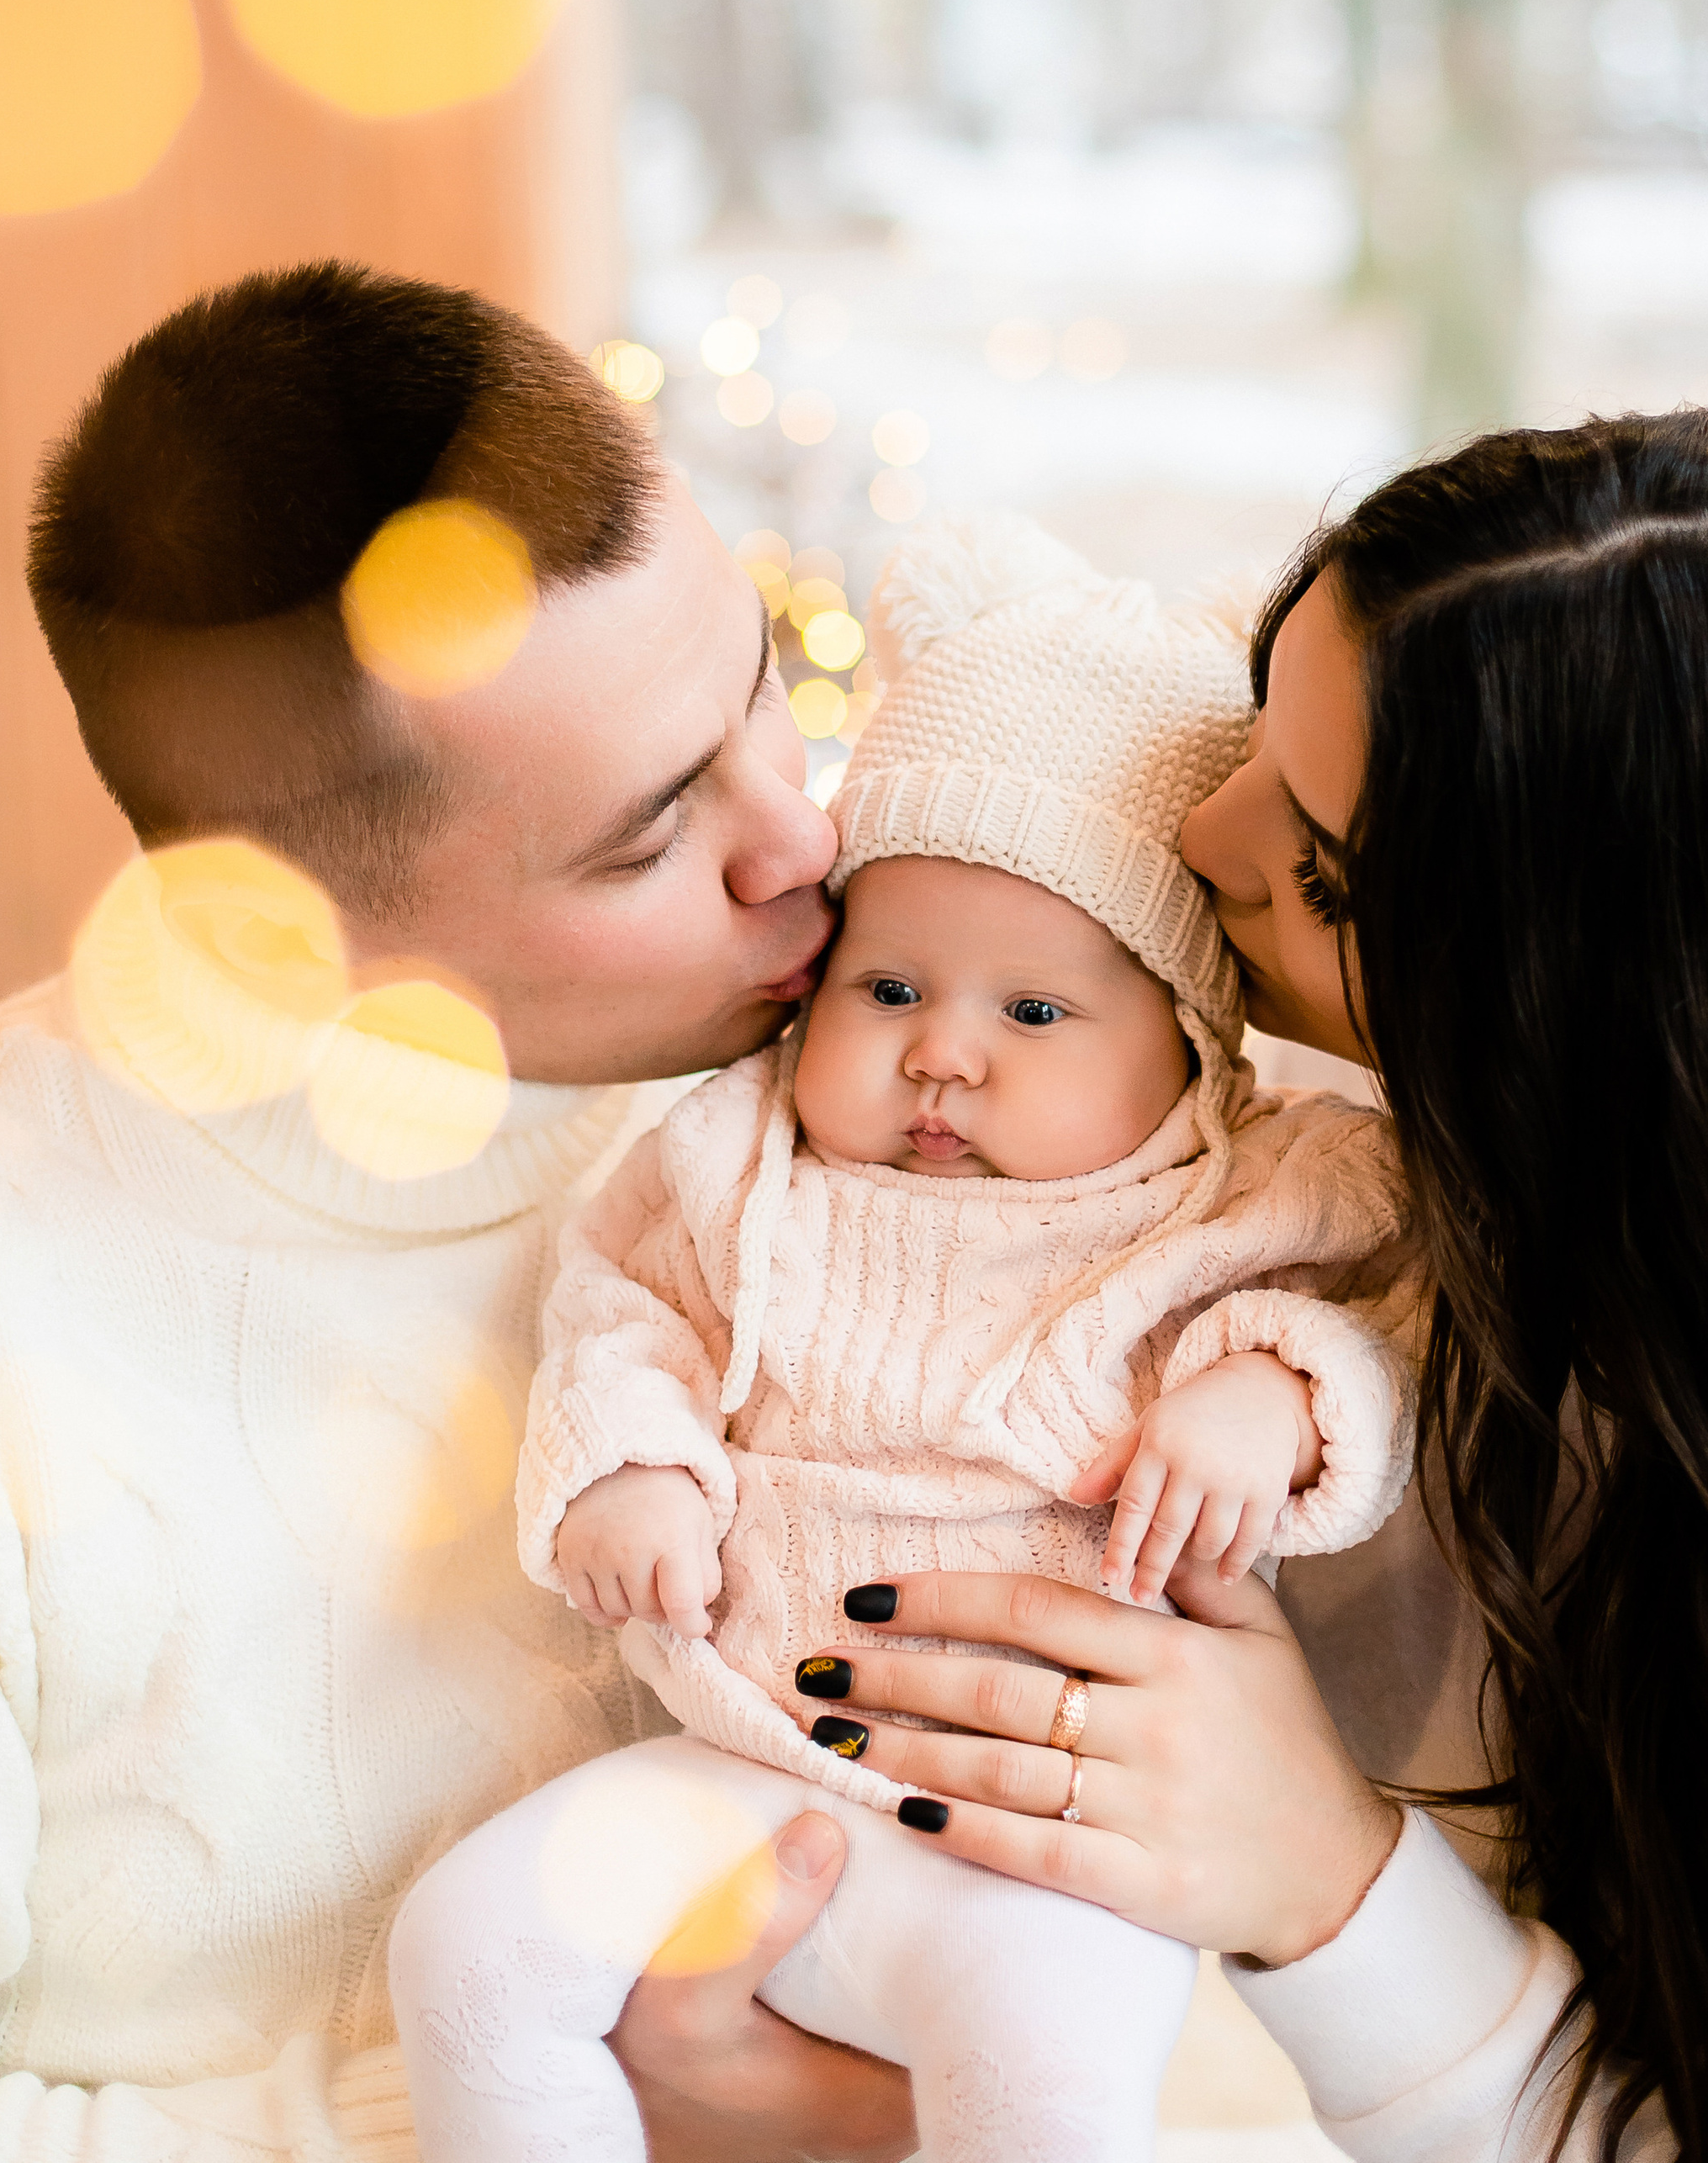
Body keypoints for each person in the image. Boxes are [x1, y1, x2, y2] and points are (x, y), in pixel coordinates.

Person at [774, 414, 1708, 2160]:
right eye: (1253, 718)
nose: (1202, 834)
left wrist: (1323, 1881)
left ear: (1571, 1018)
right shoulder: (1298, 1145)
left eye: (1314, 867)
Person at [0, 262, 929, 2163]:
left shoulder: (913, 1048)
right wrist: (558, 2115)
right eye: (647, 836)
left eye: (763, 688)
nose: (798, 838)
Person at [386, 519, 1418, 2163]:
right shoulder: (736, 1163)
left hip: (1044, 1847)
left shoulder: (1248, 1189)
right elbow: (621, 1308)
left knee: (1040, 2099)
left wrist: (1268, 1398)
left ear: (1185, 1046)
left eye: (1030, 1013)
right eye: (886, 990)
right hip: (739, 1760)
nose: (943, 1057)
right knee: (463, 1952)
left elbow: (1381, 1319)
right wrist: (630, 1469)